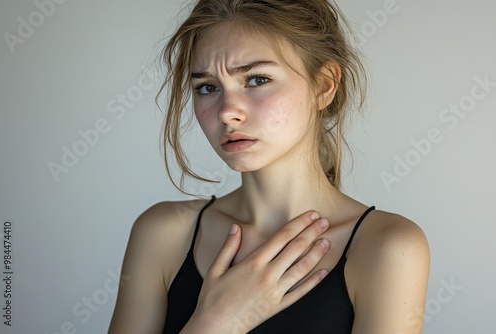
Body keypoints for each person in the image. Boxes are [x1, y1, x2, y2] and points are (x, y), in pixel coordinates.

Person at [108, 0, 430, 333]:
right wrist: (216, 322)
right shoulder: (162, 234)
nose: (226, 112)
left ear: (324, 86)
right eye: (207, 87)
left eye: (257, 79)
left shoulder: (389, 247)